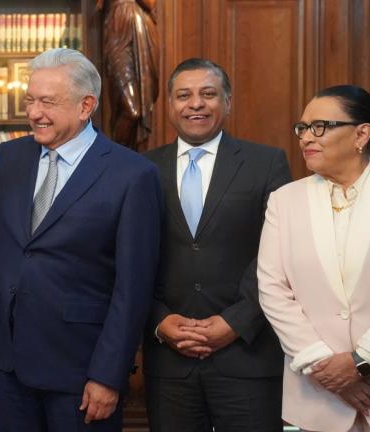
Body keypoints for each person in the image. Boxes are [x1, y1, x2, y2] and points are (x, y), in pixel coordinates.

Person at [0, 47, 163, 431]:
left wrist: (107, 375)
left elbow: (133, 289)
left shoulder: (132, 175)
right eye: (30, 100)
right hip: (8, 362)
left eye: (47, 102)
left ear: (86, 106)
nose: (34, 113)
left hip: (80, 371)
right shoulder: (10, 156)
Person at [142, 58, 291, 431]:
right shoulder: (140, 170)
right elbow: (128, 259)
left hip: (248, 356)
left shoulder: (267, 163)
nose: (196, 104)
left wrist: (235, 322)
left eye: (208, 94)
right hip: (169, 363)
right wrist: (160, 321)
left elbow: (281, 256)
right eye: (184, 95)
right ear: (170, 106)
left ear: (227, 102)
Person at [258, 85, 370, 432]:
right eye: (302, 128)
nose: (306, 137)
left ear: (361, 133)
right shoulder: (285, 200)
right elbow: (272, 289)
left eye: (320, 126)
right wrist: (323, 365)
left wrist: (361, 362)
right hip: (316, 395)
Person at [97, 0, 160, 151]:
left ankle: (127, 158)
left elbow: (150, 3)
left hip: (141, 28)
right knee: (131, 111)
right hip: (117, 28)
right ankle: (118, 158)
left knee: (139, 109)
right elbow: (99, 6)